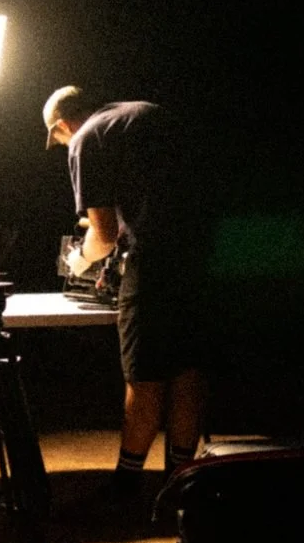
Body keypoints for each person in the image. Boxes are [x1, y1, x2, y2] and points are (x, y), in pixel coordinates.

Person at [44, 86, 209, 499]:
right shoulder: (139, 113)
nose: (62, 145)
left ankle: (127, 482)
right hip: (203, 251)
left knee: (144, 374)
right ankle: (182, 479)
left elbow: (103, 236)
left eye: (58, 138)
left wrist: (80, 260)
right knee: (187, 370)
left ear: (62, 125)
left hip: (153, 260)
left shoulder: (85, 139)